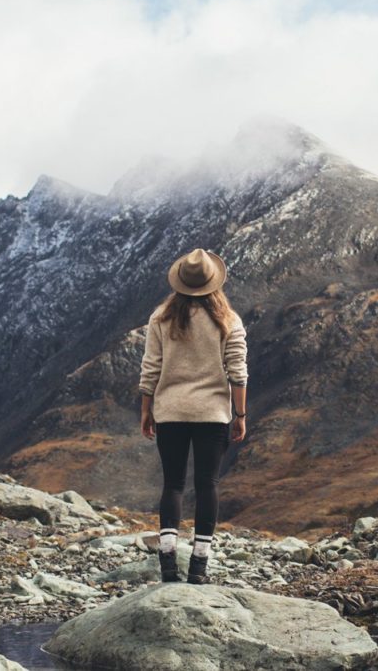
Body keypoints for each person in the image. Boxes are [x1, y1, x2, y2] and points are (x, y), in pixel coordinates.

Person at [138, 248, 248, 585]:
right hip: (212, 413)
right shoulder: (228, 320)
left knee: (172, 483)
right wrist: (240, 414)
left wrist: (147, 409)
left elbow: (151, 367)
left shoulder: (160, 318)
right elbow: (238, 372)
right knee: (207, 484)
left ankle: (168, 560)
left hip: (170, 410)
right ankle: (199, 565)